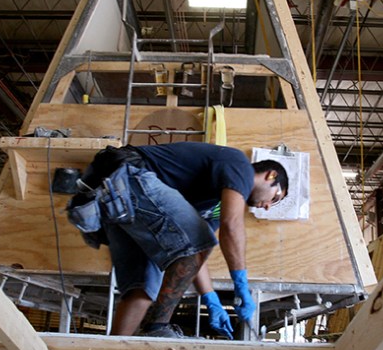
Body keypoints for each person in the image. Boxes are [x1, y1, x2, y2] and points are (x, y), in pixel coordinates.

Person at [71, 142, 288, 338]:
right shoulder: (240, 165)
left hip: (121, 202)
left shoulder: (212, 207)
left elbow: (196, 253)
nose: (268, 206)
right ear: (270, 176)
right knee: (193, 245)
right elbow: (230, 226)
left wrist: (211, 299)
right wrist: (241, 283)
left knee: (143, 290)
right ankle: (156, 329)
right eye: (275, 197)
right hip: (128, 177)